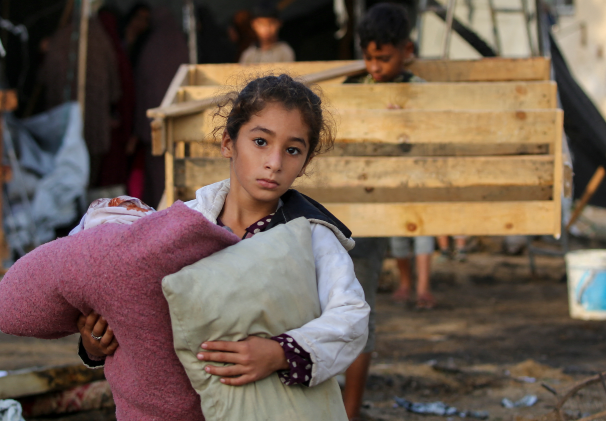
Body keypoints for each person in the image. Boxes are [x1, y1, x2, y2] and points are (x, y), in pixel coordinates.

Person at [79, 74, 369, 392]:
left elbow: (351, 316)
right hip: (185, 400)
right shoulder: (182, 224)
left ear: (306, 161)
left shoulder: (313, 235)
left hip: (274, 402)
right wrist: (96, 344)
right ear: (228, 143)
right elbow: (145, 310)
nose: (274, 163)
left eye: (292, 150)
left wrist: (280, 353)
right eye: (261, 142)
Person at [341, 3, 430, 420]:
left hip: (374, 217)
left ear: (407, 51)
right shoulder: (351, 86)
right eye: (369, 57)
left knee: (360, 310)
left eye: (384, 58)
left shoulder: (419, 91)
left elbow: (430, 143)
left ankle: (350, 411)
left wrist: (404, 124)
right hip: (335, 210)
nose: (374, 67)